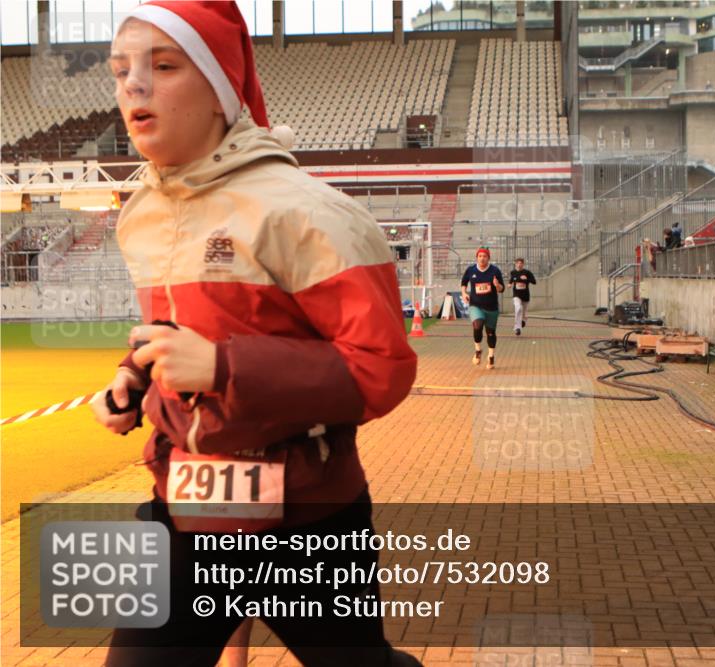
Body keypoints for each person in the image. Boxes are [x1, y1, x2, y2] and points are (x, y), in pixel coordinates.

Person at [90, 3, 420, 665]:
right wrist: (134, 377)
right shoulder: (141, 214)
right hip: (185, 508)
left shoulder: (310, 214)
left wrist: (222, 368)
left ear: (219, 89)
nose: (133, 85)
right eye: (121, 69)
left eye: (163, 64)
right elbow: (174, 331)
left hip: (308, 520)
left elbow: (382, 367)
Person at [461, 247, 504, 369]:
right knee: (477, 325)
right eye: (480, 256)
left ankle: (491, 356)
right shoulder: (471, 270)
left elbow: (502, 289)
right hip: (476, 305)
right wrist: (464, 293)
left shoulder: (495, 271)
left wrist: (497, 285)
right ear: (477, 257)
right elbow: (464, 283)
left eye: (484, 256)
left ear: (488, 258)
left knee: (490, 333)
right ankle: (478, 350)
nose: (482, 258)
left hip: (491, 307)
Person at [508, 258, 536, 336]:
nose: (519, 264)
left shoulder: (527, 272)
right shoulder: (513, 272)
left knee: (524, 314)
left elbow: (534, 281)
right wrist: (509, 284)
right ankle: (517, 328)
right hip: (516, 294)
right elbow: (511, 280)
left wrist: (527, 279)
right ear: (515, 264)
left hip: (525, 295)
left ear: (523, 264)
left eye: (521, 263)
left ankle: (523, 321)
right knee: (518, 308)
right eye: (518, 263)